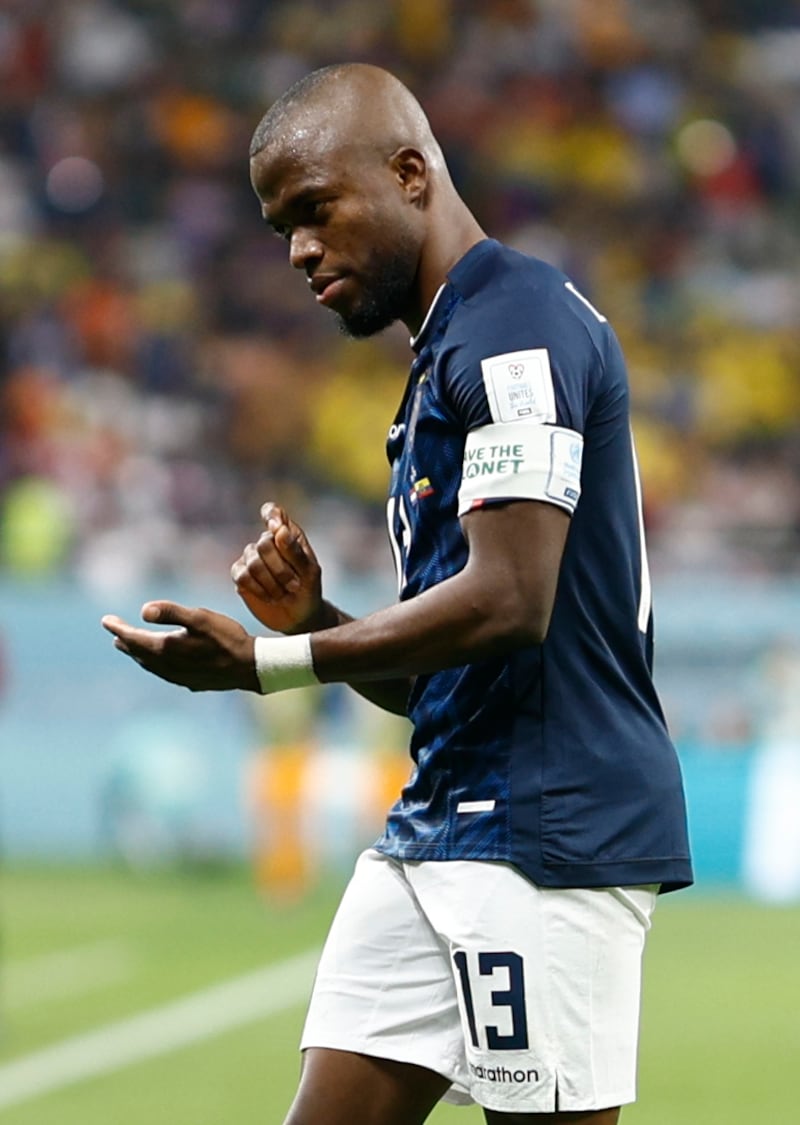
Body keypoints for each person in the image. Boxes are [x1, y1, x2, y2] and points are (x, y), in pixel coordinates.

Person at [102, 63, 692, 1125]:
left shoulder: (514, 328)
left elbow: (511, 599)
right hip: (438, 822)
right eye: (281, 226)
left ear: (410, 174)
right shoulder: (440, 360)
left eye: (314, 211)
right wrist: (316, 626)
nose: (297, 251)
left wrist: (269, 663)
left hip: (544, 838)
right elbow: (450, 680)